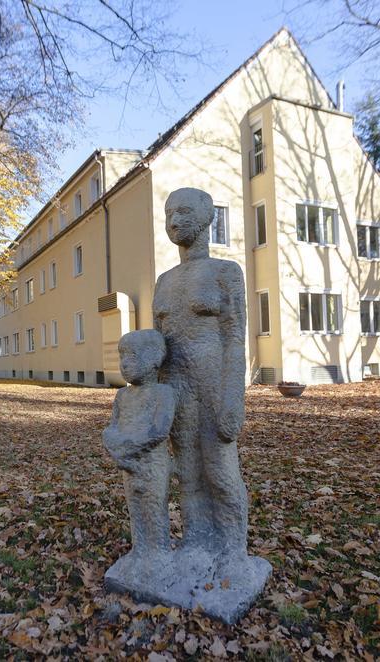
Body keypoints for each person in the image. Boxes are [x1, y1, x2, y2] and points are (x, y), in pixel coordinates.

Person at [152, 187, 249, 558]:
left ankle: (232, 548)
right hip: (175, 386)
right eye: (169, 213)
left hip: (212, 383)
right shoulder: (164, 281)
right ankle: (196, 541)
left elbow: (235, 338)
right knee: (188, 475)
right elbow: (156, 347)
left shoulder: (225, 272)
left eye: (185, 212)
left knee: (221, 471)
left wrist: (233, 400)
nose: (175, 221)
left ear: (208, 217)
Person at [103, 329, 176, 559]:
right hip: (128, 466)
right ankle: (140, 550)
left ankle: (159, 554)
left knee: (154, 510)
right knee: (134, 510)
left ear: (154, 358)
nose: (124, 364)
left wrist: (127, 446)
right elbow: (112, 427)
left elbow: (159, 431)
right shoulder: (122, 396)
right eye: (121, 357)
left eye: (131, 357)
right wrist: (112, 443)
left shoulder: (163, 394)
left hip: (152, 465)